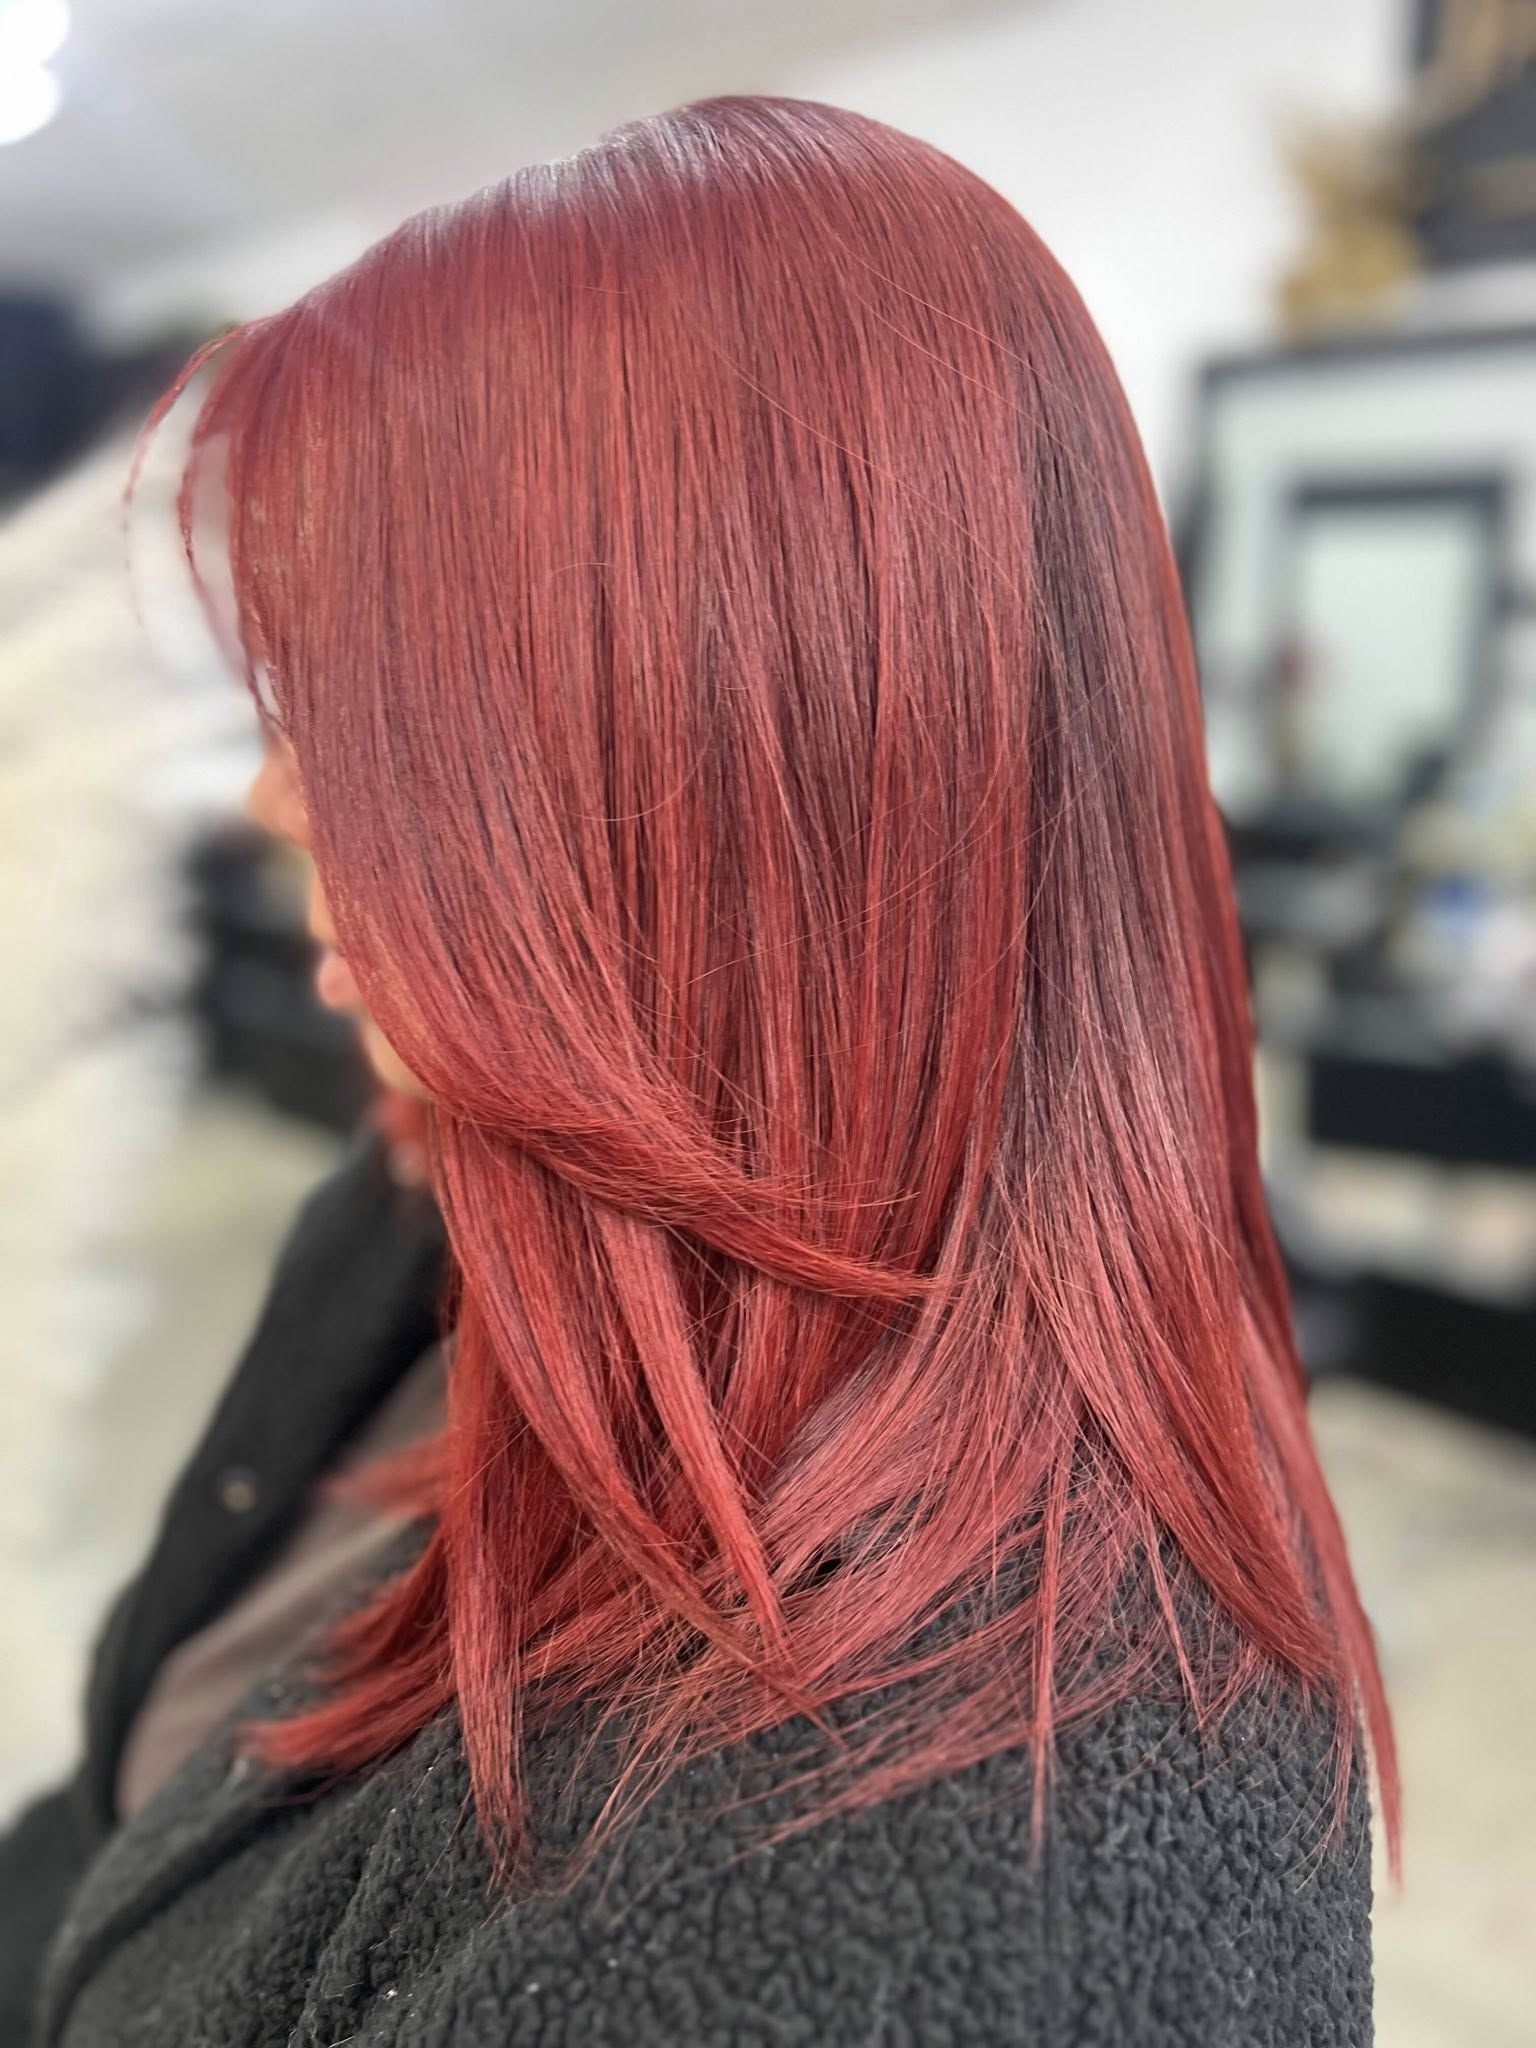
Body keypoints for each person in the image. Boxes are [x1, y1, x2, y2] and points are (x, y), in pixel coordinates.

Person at [9, 95, 1394, 2046]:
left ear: (678, 794)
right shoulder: (430, 1207)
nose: (275, 797)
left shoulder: (990, 1913)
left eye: (360, 717)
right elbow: (123, 1813)